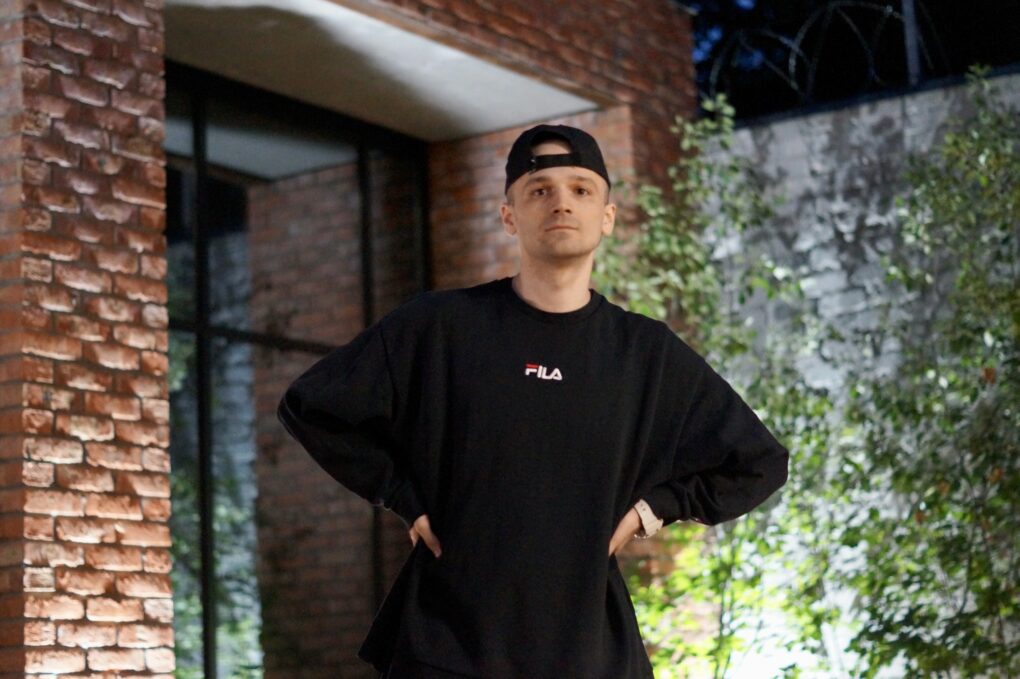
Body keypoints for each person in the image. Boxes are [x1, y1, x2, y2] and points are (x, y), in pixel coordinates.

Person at [276, 124, 790, 679]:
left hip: (588, 650)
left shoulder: (645, 353)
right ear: (509, 216)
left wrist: (652, 510)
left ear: (607, 217)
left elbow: (759, 462)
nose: (561, 203)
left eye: (581, 190)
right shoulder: (439, 327)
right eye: (540, 190)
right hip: (447, 646)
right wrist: (400, 493)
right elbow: (311, 407)